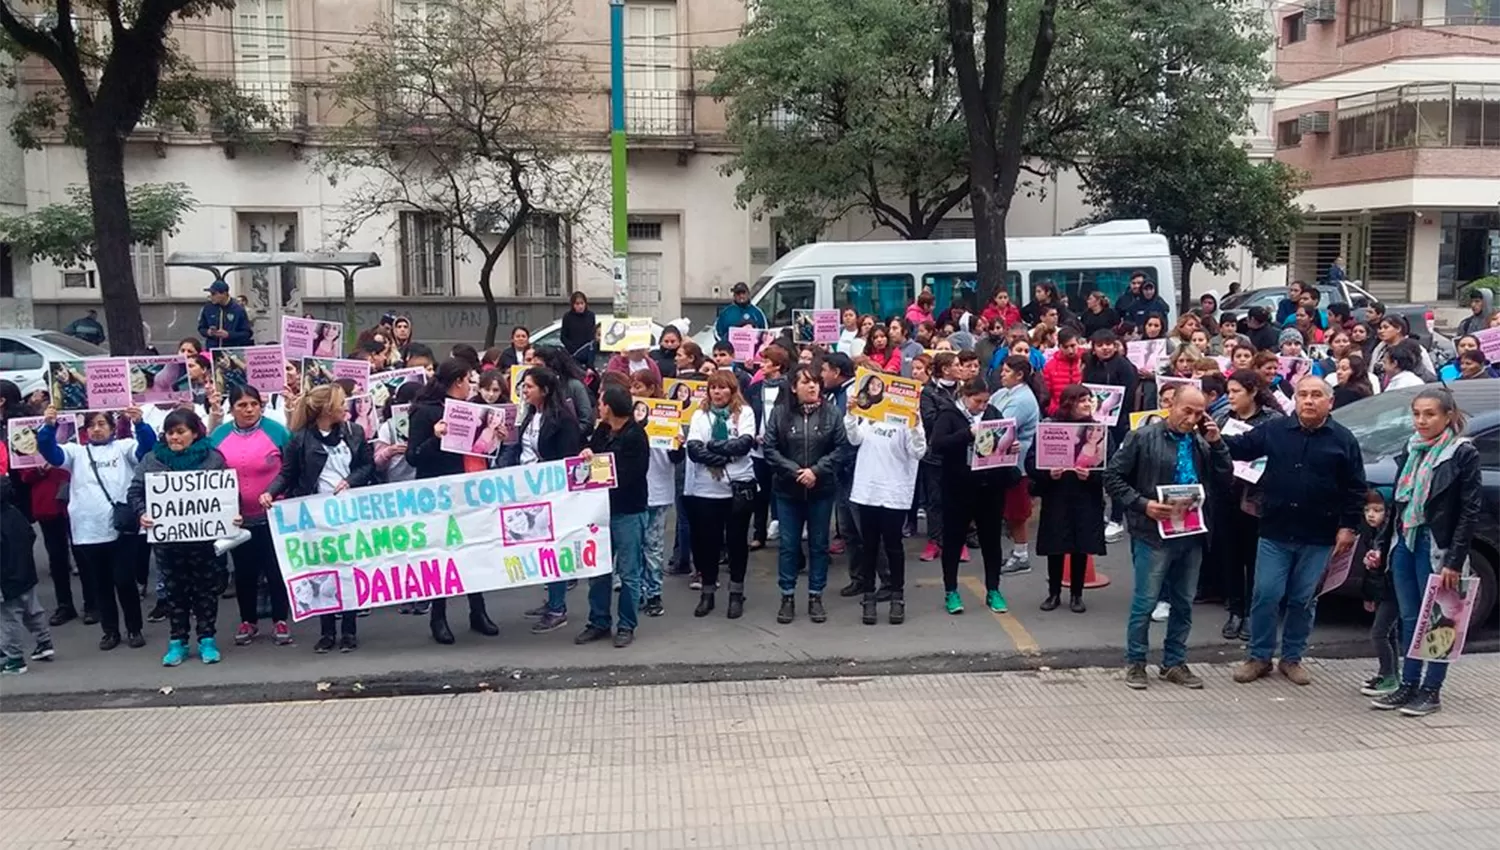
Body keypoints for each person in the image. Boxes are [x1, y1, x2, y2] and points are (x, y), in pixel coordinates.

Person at [1219, 377, 1366, 687]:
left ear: (1330, 402)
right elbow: (1241, 448)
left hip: (1319, 535)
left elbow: (1355, 489)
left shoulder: (1343, 439)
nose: (1308, 401)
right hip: (1276, 530)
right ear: (1294, 399)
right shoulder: (1276, 430)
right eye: (1302, 395)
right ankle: (1259, 657)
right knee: (1265, 595)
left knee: (1302, 600)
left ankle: (1292, 658)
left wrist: (1349, 526)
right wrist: (1213, 439)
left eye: (1315, 395)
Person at [1104, 387, 1231, 691]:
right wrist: (1143, 504)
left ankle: (1174, 662)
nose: (1191, 419)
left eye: (1199, 413)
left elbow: (1223, 479)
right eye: (1186, 411)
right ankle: (1136, 662)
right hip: (1153, 533)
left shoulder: (1201, 441)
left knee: (1184, 602)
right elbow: (1112, 477)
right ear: (1171, 405)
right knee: (1146, 602)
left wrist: (1218, 445)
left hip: (1191, 532)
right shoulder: (1143, 438)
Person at [1368, 387, 1482, 717]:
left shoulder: (1461, 453)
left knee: (1439, 619)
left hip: (1437, 545)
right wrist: (1382, 545)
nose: (1421, 421)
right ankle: (1409, 684)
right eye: (1417, 414)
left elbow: (1468, 511)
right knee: (1409, 617)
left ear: (1448, 416)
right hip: (1406, 539)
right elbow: (1400, 503)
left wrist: (1454, 559)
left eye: (1430, 414)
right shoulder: (1412, 448)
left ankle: (1431, 690)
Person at [261, 384, 374, 653]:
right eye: (341, 402)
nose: (346, 406)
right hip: (315, 514)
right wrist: (270, 492)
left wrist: (350, 481)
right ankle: (326, 632)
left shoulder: (354, 432)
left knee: (349, 567)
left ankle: (349, 629)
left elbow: (366, 466)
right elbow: (287, 474)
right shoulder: (300, 439)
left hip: (348, 512)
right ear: (326, 409)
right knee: (323, 570)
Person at [37, 408, 155, 651]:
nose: (97, 429)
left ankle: (134, 628)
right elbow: (50, 452)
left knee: (124, 580)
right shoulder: (75, 452)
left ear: (112, 428)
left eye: (102, 424)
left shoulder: (124, 448)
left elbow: (147, 448)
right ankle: (110, 631)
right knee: (101, 583)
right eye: (91, 425)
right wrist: (48, 427)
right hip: (88, 529)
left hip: (122, 528)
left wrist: (140, 423)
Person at [405, 360, 501, 643]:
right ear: (458, 381)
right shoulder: (425, 412)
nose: (472, 386)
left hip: (467, 488)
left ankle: (478, 610)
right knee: (441, 554)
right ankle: (438, 616)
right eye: (469, 380)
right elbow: (413, 457)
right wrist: (436, 437)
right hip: (437, 493)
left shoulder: (471, 410)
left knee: (473, 549)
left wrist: (496, 439)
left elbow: (478, 450)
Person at [127, 408, 232, 666]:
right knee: (175, 592)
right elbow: (135, 492)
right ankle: (178, 641)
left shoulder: (213, 459)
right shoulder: (152, 459)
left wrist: (233, 515)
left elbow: (229, 494)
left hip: (203, 541)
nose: (174, 437)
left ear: (194, 433)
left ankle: (207, 638)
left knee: (205, 591)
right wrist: (141, 513)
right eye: (170, 432)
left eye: (181, 432)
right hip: (168, 542)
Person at [499, 367, 585, 633]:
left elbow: (568, 457)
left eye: (529, 387)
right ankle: (551, 601)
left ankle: (558, 608)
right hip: (530, 490)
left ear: (545, 390)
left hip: (552, 492)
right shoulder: (531, 415)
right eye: (523, 387)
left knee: (555, 547)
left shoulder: (562, 419)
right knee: (541, 547)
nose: (524, 391)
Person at [763, 365, 848, 624]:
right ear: (793, 387)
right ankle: (787, 596)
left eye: (815, 383)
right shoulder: (780, 414)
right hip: (788, 491)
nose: (812, 387)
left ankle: (815, 596)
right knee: (789, 546)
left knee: (819, 545)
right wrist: (796, 472)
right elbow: (770, 448)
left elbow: (841, 448)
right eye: (805, 383)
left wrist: (816, 471)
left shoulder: (832, 413)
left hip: (821, 490)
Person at [211, 385, 294, 647]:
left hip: (274, 514)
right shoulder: (220, 435)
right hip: (238, 518)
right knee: (244, 573)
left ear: (261, 406)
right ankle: (248, 621)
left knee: (275, 570)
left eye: (253, 404)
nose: (248, 410)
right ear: (231, 408)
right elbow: (209, 471)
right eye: (242, 405)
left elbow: (291, 468)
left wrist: (279, 495)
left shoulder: (277, 431)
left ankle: (280, 620)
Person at [573, 387, 650, 648]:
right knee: (599, 570)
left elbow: (631, 475)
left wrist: (600, 467)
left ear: (610, 407)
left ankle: (626, 624)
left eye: (601, 403)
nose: (598, 407)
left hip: (628, 511)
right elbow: (591, 455)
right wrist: (587, 456)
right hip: (601, 512)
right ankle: (599, 621)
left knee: (629, 572)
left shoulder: (636, 436)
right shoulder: (602, 431)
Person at [930, 378, 1014, 615]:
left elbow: (1002, 438)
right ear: (965, 397)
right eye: (978, 401)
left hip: (989, 486)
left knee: (991, 540)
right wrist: (967, 433)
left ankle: (994, 590)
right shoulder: (949, 415)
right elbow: (937, 444)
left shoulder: (993, 412)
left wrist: (1010, 446)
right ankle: (951, 590)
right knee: (954, 540)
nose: (983, 406)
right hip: (958, 486)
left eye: (986, 401)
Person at [845, 389, 925, 626]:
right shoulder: (869, 415)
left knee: (893, 547)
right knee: (868, 546)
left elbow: (918, 451)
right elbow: (854, 438)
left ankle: (897, 597)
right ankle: (868, 597)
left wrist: (915, 424)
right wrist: (850, 414)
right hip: (868, 491)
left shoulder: (905, 419)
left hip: (893, 492)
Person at [1214, 370, 1284, 640]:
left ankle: (1254, 612)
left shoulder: (1273, 421)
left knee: (1255, 557)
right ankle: (1235, 609)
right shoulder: (1222, 418)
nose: (1230, 397)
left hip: (1258, 498)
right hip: (1227, 494)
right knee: (1230, 555)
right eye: (1228, 392)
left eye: (1235, 392)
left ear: (1252, 392)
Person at [683, 371, 757, 618]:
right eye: (713, 388)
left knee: (737, 542)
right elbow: (694, 450)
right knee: (708, 544)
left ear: (732, 390)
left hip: (738, 486)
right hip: (707, 489)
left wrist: (713, 446)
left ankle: (737, 592)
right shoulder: (699, 415)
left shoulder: (744, 413)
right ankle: (707, 592)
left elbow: (744, 444)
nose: (717, 392)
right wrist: (725, 455)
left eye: (722, 388)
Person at [1029, 385, 1107, 613]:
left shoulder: (1097, 429)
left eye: (1089, 400)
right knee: (1056, 545)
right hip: (1057, 494)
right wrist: (1047, 473)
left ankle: (1077, 594)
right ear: (1068, 403)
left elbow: (1109, 467)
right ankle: (1053, 593)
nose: (1086, 404)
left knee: (1080, 545)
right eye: (1081, 400)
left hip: (1085, 495)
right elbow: (1032, 461)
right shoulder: (1050, 427)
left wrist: (1091, 475)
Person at [0, 439, 54, 675]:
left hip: (5, 578)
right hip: (25, 571)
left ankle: (14, 658)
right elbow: (31, 535)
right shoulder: (14, 514)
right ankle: (44, 642)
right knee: (33, 610)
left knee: (8, 618)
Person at [991, 355, 1043, 574]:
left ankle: (1021, 555)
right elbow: (988, 410)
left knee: (1017, 512)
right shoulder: (1003, 393)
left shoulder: (1023, 399)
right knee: (1007, 510)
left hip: (1016, 465)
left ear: (1019, 375)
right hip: (999, 461)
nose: (1001, 374)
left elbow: (999, 426)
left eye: (1006, 371)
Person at [1355, 491, 1400, 698]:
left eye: (1377, 510)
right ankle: (1388, 674)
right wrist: (1369, 596)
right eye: (1367, 510)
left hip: (1392, 591)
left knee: (1379, 633)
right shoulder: (1373, 535)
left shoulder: (1389, 537)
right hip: (1382, 591)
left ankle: (1389, 676)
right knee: (1389, 633)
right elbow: (1371, 575)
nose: (1371, 515)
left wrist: (1378, 562)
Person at [746, 346, 790, 551]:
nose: (761, 365)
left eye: (766, 362)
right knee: (760, 493)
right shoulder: (755, 389)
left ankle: (786, 533)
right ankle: (758, 534)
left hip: (782, 450)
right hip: (758, 449)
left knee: (782, 493)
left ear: (778, 366)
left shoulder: (789, 389)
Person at [918, 352, 960, 563]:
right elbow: (930, 421)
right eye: (957, 365)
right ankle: (935, 540)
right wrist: (956, 418)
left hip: (959, 454)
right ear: (945, 369)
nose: (961, 368)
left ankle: (956, 541)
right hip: (935, 455)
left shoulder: (964, 389)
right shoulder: (928, 392)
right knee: (935, 500)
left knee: (957, 499)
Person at [532, 345, 596, 437]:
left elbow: (587, 422)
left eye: (539, 366)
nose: (535, 370)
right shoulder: (532, 389)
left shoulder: (574, 386)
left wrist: (567, 436)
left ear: (552, 366)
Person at [196, 281, 254, 350]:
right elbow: (201, 327)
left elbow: (247, 333)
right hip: (212, 348)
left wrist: (229, 335)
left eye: (213, 294)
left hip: (232, 350)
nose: (211, 296)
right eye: (210, 294)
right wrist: (208, 332)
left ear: (224, 293)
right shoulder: (208, 307)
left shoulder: (238, 310)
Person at [1040, 328, 1084, 415]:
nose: (1070, 350)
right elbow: (1047, 395)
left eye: (1072, 346)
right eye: (1065, 347)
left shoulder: (1087, 361)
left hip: (1084, 412)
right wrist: (1055, 410)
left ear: (1078, 343)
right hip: (1059, 413)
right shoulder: (1050, 366)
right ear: (1059, 346)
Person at [560, 291, 598, 364]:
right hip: (573, 355)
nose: (580, 306)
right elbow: (563, 337)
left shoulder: (590, 316)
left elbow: (593, 334)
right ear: (573, 305)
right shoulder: (568, 317)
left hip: (589, 355)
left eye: (582, 303)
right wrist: (573, 350)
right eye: (577, 304)